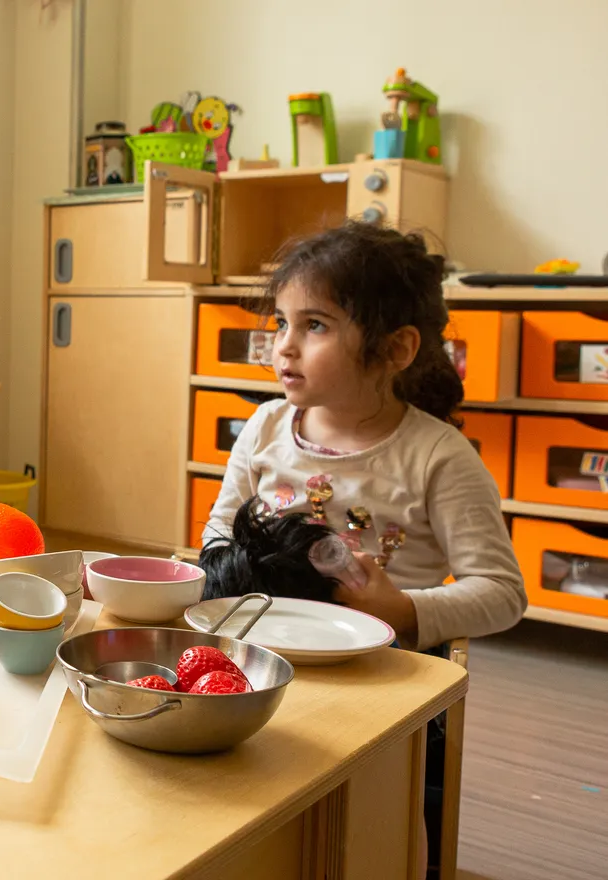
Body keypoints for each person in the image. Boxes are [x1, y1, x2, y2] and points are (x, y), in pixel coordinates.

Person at [201, 222, 525, 879]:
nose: (283, 346)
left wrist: (402, 607)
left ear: (396, 348)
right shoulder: (265, 427)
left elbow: (502, 594)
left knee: (358, 829)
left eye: (315, 326)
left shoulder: (437, 457)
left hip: (376, 683)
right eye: (282, 323)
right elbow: (214, 536)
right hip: (261, 659)